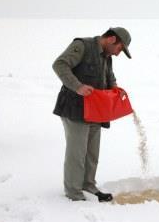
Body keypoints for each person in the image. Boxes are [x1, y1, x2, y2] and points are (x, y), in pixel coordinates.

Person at [52, 27, 132, 202]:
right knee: (77, 153)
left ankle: (88, 184)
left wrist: (114, 87)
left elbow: (108, 75)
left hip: (96, 111)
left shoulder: (107, 55)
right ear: (112, 40)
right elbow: (59, 65)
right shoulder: (82, 45)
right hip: (75, 109)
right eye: (120, 49)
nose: (119, 54)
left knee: (92, 153)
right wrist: (78, 86)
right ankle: (73, 191)